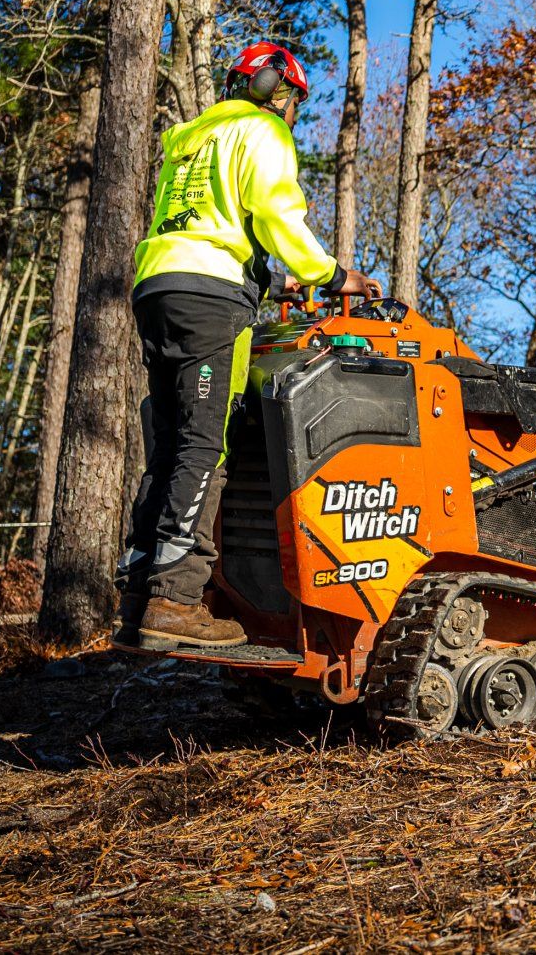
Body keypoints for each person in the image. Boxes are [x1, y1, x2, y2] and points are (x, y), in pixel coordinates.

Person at [114, 42, 379, 650]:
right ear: (272, 89)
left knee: (171, 444)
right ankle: (175, 600)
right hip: (211, 304)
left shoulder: (194, 141)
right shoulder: (262, 131)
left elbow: (210, 228)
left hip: (159, 289)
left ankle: (137, 594)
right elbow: (275, 214)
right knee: (205, 445)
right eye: (293, 100)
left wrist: (273, 283)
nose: (293, 113)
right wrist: (331, 275)